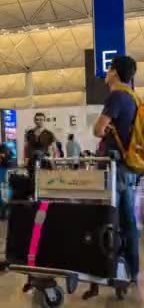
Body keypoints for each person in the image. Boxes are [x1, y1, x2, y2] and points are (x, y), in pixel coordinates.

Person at [93, 55, 139, 285]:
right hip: (127, 165)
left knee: (118, 217)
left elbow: (98, 129)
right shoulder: (132, 98)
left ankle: (124, 268)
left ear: (115, 72)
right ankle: (131, 268)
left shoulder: (117, 96)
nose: (106, 74)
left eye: (108, 69)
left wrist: (105, 127)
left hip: (117, 166)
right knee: (126, 217)